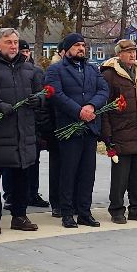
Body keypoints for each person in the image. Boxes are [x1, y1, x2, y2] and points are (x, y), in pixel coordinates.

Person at [0, 28, 46, 235]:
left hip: (23, 132)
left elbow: (42, 92)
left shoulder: (29, 68)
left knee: (22, 178)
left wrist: (39, 100)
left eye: (15, 42)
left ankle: (19, 216)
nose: (14, 46)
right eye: (9, 42)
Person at [45, 32, 109, 229]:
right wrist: (78, 111)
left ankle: (84, 212)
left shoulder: (92, 69)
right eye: (77, 45)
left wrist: (91, 106)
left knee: (87, 173)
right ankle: (67, 213)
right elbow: (56, 94)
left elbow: (103, 90)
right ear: (67, 50)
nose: (81, 48)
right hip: (69, 127)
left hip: (89, 128)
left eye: (83, 45)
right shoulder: (55, 70)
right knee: (68, 172)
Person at [98, 39, 137, 223]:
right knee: (120, 176)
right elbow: (104, 107)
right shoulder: (109, 75)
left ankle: (136, 208)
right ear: (119, 54)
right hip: (121, 131)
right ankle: (116, 209)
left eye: (134, 51)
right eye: (128, 52)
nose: (132, 55)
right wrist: (107, 134)